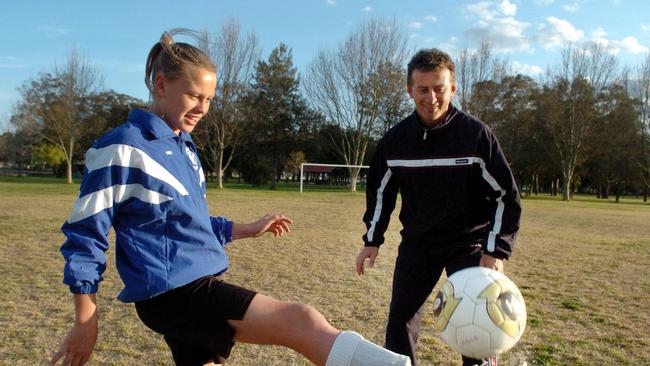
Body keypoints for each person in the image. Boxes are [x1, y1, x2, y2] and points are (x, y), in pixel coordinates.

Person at [49, 29, 411, 366]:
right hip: (173, 292)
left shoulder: (185, 149)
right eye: (194, 95)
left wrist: (246, 229)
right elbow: (85, 236)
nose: (203, 108)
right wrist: (86, 319)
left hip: (193, 284)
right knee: (301, 320)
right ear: (161, 85)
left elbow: (189, 221)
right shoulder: (122, 147)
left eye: (208, 99)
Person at [355, 48, 521, 366]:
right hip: (419, 244)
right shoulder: (394, 142)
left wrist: (496, 250)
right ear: (409, 91)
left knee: (480, 325)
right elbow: (379, 194)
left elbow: (506, 196)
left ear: (453, 89)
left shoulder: (476, 136)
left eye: (439, 88)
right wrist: (372, 241)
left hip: (469, 245)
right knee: (399, 324)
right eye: (423, 89)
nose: (431, 97)